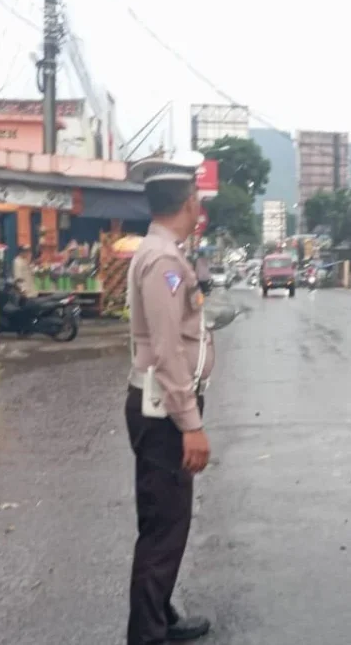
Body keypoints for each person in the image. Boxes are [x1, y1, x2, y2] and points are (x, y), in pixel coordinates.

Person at [124, 152, 214, 645]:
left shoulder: (164, 253)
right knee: (165, 526)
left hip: (159, 409)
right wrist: (191, 422)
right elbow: (165, 349)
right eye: (197, 195)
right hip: (162, 412)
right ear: (189, 202)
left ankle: (159, 614)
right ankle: (148, 633)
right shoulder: (164, 262)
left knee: (163, 520)